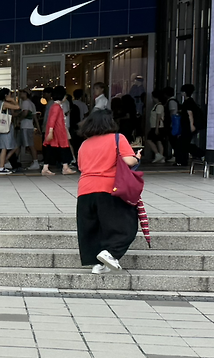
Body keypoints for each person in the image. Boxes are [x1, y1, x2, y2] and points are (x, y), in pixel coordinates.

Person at [76, 109, 140, 274]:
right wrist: (137, 157)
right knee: (125, 224)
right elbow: (129, 161)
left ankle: (98, 264)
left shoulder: (84, 144)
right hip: (108, 189)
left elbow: (81, 166)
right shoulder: (117, 138)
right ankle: (111, 253)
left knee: (93, 228)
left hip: (85, 190)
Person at [41, 90, 73, 176]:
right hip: (57, 131)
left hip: (56, 131)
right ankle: (65, 167)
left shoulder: (54, 106)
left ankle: (48, 167)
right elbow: (53, 120)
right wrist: (51, 131)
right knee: (62, 148)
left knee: (53, 149)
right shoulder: (57, 107)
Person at [0, 89, 20, 174]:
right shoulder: (4, 103)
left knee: (9, 147)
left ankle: (2, 164)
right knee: (4, 148)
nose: (11, 96)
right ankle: (2, 167)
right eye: (10, 94)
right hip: (5, 128)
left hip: (3, 128)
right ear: (6, 95)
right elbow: (17, 107)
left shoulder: (0, 103)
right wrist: (12, 100)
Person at [17, 89, 40, 169]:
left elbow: (25, 113)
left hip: (25, 126)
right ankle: (35, 161)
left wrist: (19, 120)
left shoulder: (25, 103)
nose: (20, 94)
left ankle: (35, 162)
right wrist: (38, 128)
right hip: (29, 126)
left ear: (26, 94)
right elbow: (35, 117)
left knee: (29, 145)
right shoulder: (31, 103)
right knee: (27, 145)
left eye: (22, 92)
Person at [144, 94, 167, 163]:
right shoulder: (157, 106)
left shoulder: (159, 106)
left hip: (157, 126)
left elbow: (158, 117)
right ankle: (161, 157)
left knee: (149, 139)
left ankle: (157, 154)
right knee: (158, 141)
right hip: (157, 126)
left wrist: (157, 128)